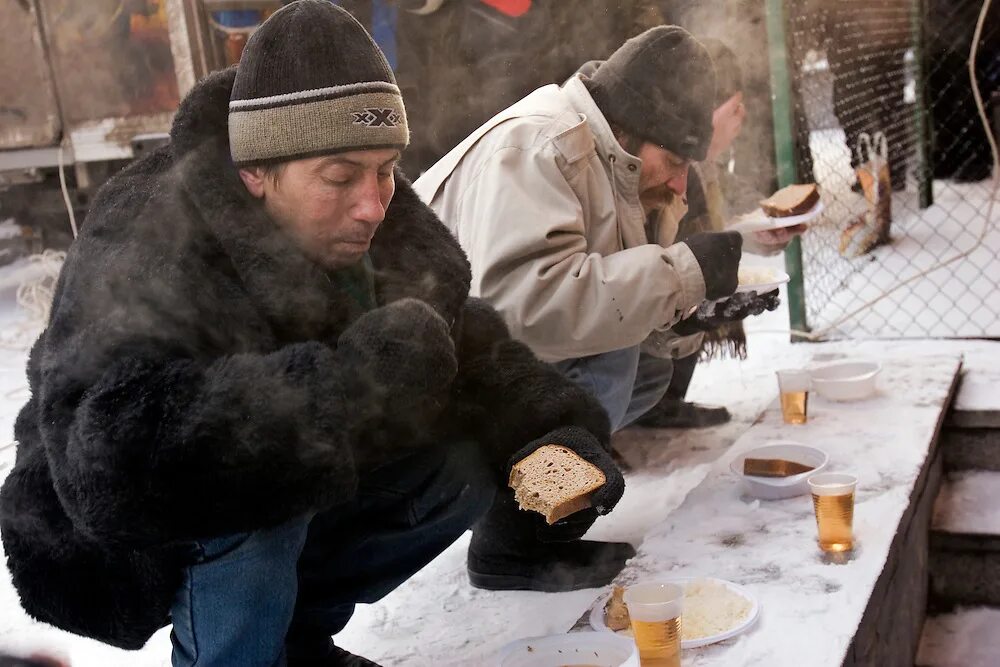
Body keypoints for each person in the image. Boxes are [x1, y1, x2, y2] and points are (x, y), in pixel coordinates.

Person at [0, 3, 630, 666]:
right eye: (340, 177)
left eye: (386, 169)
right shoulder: (148, 230)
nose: (372, 202)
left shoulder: (378, 216)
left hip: (250, 478)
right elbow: (111, 452)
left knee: (459, 458)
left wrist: (553, 428)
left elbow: (464, 342)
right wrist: (351, 385)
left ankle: (295, 643)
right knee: (262, 488)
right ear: (256, 172)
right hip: (116, 527)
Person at [416, 26, 774, 433]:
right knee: (613, 355)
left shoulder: (617, 162)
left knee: (650, 366)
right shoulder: (541, 144)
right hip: (424, 381)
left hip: (475, 359)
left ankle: (563, 474)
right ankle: (536, 490)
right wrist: (680, 274)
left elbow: (604, 302)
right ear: (635, 128)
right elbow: (520, 310)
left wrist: (686, 319)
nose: (680, 185)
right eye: (675, 162)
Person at [638, 38, 806, 429]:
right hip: (641, 313)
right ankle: (651, 403)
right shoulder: (674, 168)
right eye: (733, 107)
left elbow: (721, 224)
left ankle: (661, 399)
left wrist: (756, 236)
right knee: (693, 284)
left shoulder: (704, 166)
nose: (742, 115)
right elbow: (685, 245)